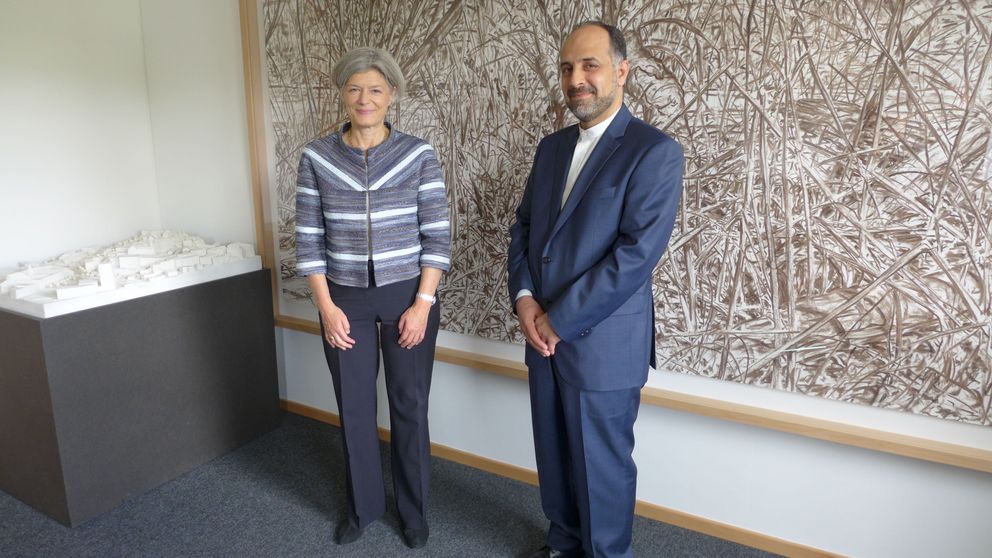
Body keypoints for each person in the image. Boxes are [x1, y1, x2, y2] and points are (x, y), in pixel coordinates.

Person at [507, 21, 684, 558]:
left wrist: (557, 320)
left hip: (602, 345)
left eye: (590, 66)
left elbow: (634, 257)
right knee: (555, 459)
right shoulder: (551, 148)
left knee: (602, 471)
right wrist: (525, 300)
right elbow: (523, 228)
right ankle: (562, 545)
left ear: (621, 71)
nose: (576, 79)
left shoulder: (655, 151)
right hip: (541, 339)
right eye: (567, 68)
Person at [294, 47, 451, 550]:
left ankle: (415, 511)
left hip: (409, 296)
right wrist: (326, 307)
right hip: (343, 301)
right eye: (355, 88)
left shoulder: (418, 155)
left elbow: (438, 236)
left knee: (410, 405)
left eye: (376, 89)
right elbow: (308, 240)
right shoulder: (316, 157)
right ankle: (362, 508)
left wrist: (423, 303)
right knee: (355, 409)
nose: (365, 99)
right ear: (342, 94)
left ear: (392, 96)